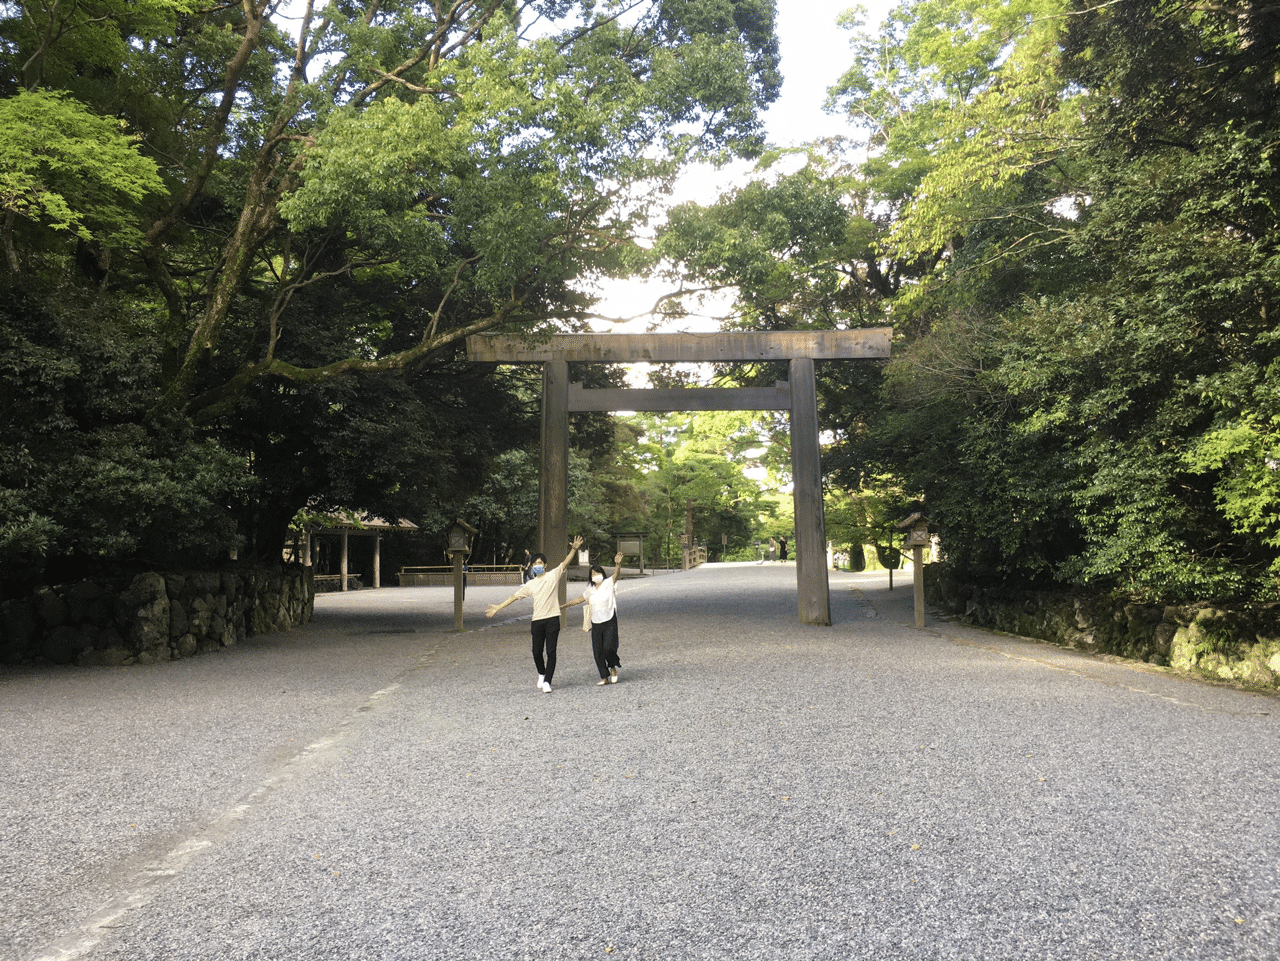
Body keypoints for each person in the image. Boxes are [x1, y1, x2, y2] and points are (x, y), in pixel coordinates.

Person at [486, 535, 584, 693]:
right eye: (534, 564)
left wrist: (573, 549)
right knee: (536, 651)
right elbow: (514, 597)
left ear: (545, 565)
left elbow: (565, 562)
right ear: (531, 567)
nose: (537, 566)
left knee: (551, 651)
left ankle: (548, 681)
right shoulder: (530, 584)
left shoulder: (553, 575)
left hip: (552, 618)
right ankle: (541, 673)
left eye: (540, 563)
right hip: (537, 620)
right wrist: (498, 607)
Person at [563, 552, 624, 686]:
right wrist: (565, 605)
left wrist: (617, 564)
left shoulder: (608, 583)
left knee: (608, 648)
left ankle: (612, 668)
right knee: (598, 651)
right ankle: (604, 676)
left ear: (602, 573)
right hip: (596, 622)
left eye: (598, 573)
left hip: (609, 619)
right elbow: (581, 598)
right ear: (590, 577)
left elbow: (616, 575)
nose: (596, 576)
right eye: (593, 574)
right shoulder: (590, 589)